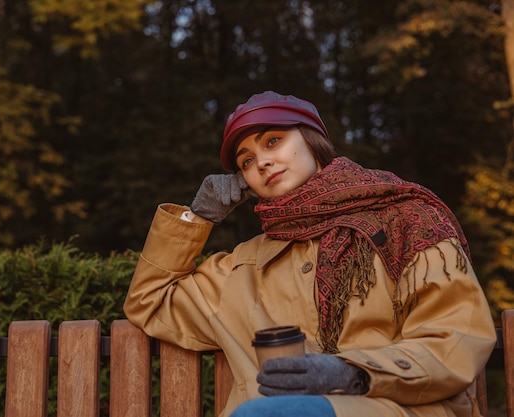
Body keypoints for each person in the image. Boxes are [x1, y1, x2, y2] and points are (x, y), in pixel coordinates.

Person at [123, 90, 496, 417]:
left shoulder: (406, 219)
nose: (262, 162)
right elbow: (150, 300)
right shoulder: (244, 266)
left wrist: (352, 372)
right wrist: (197, 217)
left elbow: (455, 337)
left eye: (273, 141)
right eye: (246, 161)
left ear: (312, 140)